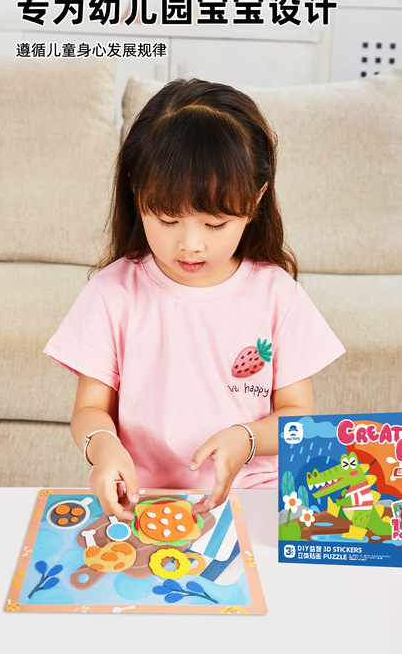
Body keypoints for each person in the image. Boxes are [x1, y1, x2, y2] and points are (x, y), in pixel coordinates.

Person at [44, 78, 345, 521]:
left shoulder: (277, 294)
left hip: (252, 497)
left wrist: (247, 437)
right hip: (143, 499)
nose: (190, 245)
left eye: (215, 224)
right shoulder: (112, 292)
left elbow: (296, 416)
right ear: (135, 191)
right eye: (167, 219)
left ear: (256, 199)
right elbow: (90, 409)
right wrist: (103, 446)